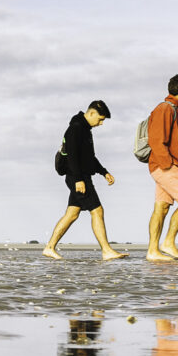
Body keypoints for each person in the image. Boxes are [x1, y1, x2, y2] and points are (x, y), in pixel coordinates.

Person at [43, 100, 127, 260]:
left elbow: (90, 158)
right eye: (100, 119)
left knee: (72, 214)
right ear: (91, 113)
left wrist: (104, 172)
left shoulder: (85, 130)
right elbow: (73, 156)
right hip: (78, 178)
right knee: (97, 210)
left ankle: (49, 247)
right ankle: (106, 250)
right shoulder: (75, 128)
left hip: (80, 177)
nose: (101, 123)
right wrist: (78, 180)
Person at [145, 75, 178, 262]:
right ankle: (168, 243)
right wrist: (167, 165)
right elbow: (156, 140)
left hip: (162, 165)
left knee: (162, 207)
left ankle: (152, 251)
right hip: (164, 166)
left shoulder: (172, 109)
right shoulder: (165, 108)